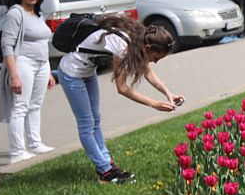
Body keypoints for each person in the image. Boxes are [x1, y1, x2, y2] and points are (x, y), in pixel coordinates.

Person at [58, 15, 183, 184]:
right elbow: (122, 88)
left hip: (87, 73)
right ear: (147, 47)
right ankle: (105, 171)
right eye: (156, 57)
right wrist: (154, 104)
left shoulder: (140, 38)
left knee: (96, 119)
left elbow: (147, 72)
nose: (155, 61)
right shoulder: (123, 44)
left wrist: (168, 93)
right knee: (86, 124)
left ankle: (106, 164)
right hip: (71, 74)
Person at [0, 0, 56, 165]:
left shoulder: (37, 14)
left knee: (35, 105)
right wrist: (14, 75)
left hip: (41, 65)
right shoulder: (15, 13)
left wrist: (48, 73)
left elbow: (43, 44)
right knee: (20, 107)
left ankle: (35, 143)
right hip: (23, 64)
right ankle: (17, 151)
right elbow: (6, 45)